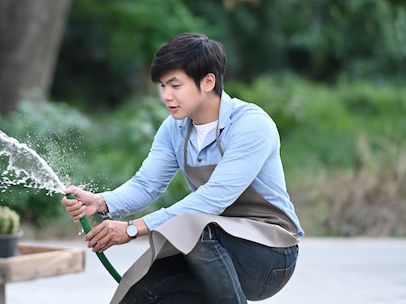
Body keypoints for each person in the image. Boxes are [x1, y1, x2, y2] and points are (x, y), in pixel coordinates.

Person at [62, 32, 303, 304]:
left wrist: (132, 229)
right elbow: (146, 184)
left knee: (194, 228)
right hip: (209, 246)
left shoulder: (251, 125)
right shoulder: (174, 128)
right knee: (138, 292)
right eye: (162, 86)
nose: (166, 96)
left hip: (271, 256)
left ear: (208, 81)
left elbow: (212, 199)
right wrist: (100, 202)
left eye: (175, 85)